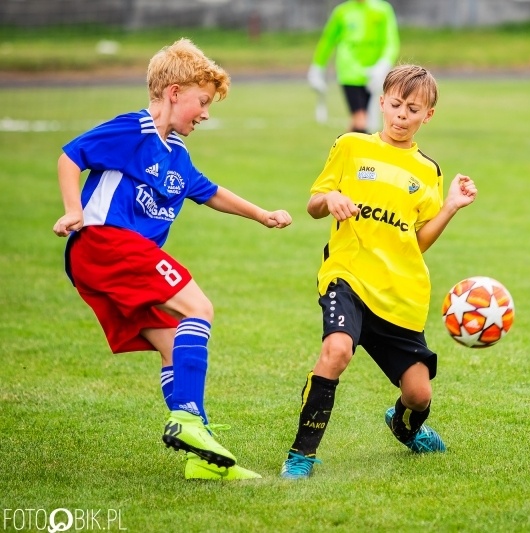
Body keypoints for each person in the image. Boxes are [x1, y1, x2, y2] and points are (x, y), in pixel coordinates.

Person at [52, 38, 292, 481]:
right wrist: (74, 209)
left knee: (172, 342)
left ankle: (199, 457)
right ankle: (188, 423)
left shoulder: (177, 154)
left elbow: (211, 192)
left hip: (106, 261)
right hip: (105, 243)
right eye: (202, 102)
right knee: (199, 308)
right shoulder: (134, 130)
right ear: (173, 92)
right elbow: (71, 157)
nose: (205, 113)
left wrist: (262, 215)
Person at [281, 64, 478, 479]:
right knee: (336, 351)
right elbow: (314, 203)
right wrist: (332, 198)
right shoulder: (351, 146)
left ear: (428, 115)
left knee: (419, 393)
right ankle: (302, 454)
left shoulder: (429, 171)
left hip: (401, 294)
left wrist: (450, 208)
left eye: (413, 108)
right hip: (348, 277)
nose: (401, 115)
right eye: (395, 104)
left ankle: (404, 427)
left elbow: (418, 241)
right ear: (381, 102)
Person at [307, 0, 400, 134]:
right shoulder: (342, 12)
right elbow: (327, 40)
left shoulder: (383, 10)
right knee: (360, 119)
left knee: (361, 120)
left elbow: (391, 41)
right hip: (349, 73)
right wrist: (317, 67)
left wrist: (384, 64)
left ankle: (344, 151)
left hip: (373, 74)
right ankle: (362, 153)